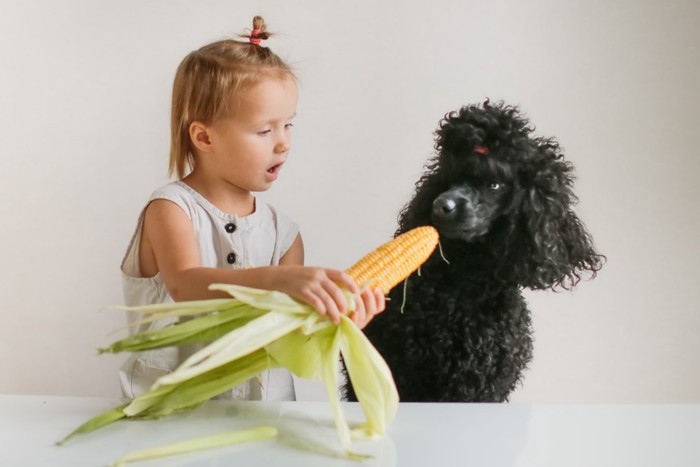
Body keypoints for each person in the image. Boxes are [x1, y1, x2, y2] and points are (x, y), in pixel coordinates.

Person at [119, 16, 385, 401]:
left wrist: (339, 324)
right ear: (204, 137)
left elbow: (295, 342)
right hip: (172, 418)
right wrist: (276, 281)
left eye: (289, 125)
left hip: (264, 419)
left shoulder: (284, 234)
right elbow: (187, 284)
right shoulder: (171, 209)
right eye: (265, 130)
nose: (284, 144)